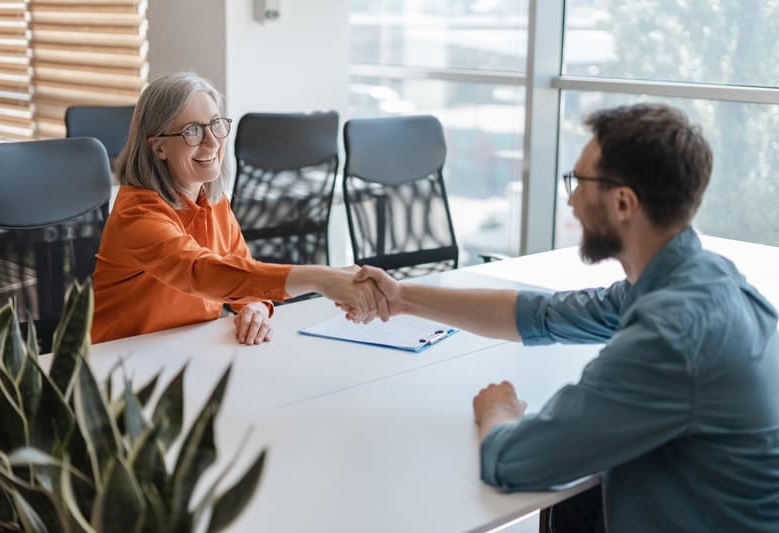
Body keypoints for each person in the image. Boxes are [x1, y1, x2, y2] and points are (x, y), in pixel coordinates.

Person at [352, 103, 779, 532]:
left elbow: (511, 461)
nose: (572, 199)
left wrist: (498, 410)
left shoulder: (669, 337)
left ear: (624, 202)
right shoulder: (699, 277)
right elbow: (542, 315)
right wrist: (402, 297)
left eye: (580, 183)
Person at [92, 72, 386, 344]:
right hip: (117, 365)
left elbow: (241, 275)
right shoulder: (137, 215)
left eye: (216, 125)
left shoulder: (214, 202)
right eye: (192, 131)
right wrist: (321, 278)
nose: (212, 142)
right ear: (158, 148)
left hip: (186, 352)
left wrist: (255, 307)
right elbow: (201, 272)